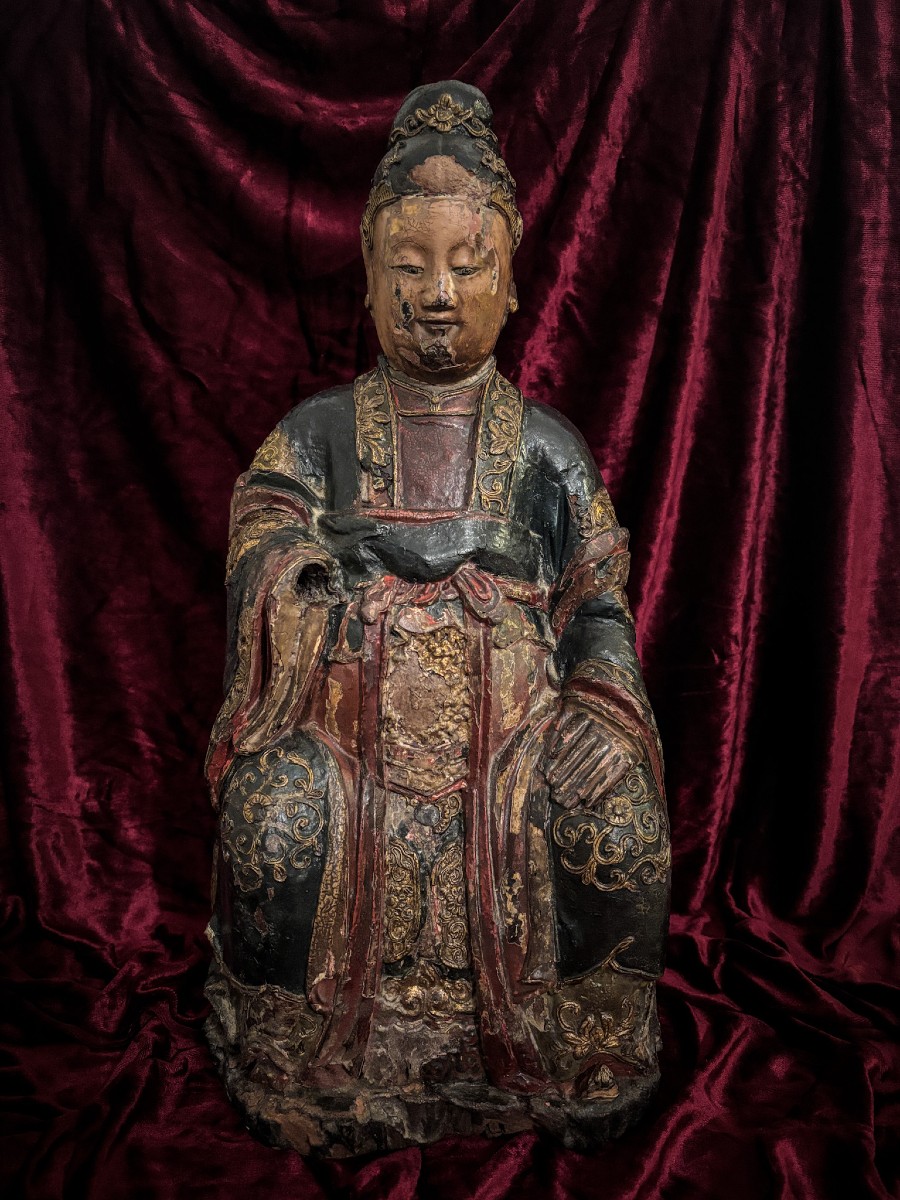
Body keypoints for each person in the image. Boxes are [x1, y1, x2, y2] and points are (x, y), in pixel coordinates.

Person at [204, 81, 669, 1155]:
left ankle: (580, 1042)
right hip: (345, 734)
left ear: (514, 283)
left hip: (517, 741)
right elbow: (262, 529)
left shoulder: (547, 446)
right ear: (367, 278)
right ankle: (292, 1040)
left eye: (467, 265)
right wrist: (316, 589)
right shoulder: (317, 431)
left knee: (619, 823)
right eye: (408, 267)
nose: (437, 294)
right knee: (275, 820)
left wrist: (599, 705)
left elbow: (597, 592)